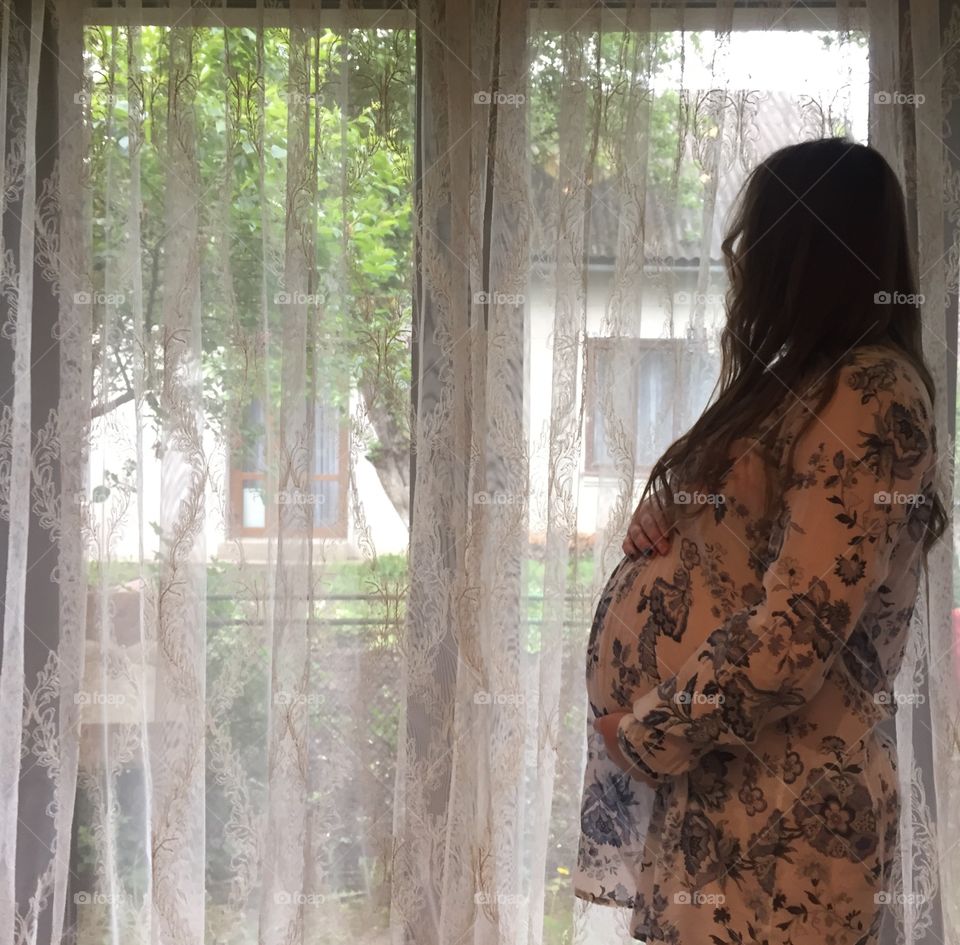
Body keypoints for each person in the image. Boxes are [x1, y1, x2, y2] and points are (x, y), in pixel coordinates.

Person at [573, 138, 946, 945]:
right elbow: (752, 548)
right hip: (731, 795)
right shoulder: (807, 385)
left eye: (757, 238)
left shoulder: (871, 393)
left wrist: (645, 734)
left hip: (786, 819)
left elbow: (795, 632)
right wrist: (674, 520)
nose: (739, 258)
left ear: (805, 252)